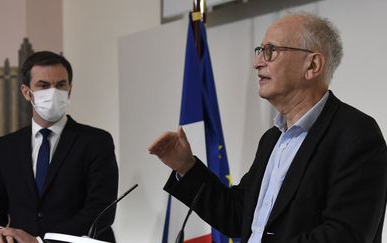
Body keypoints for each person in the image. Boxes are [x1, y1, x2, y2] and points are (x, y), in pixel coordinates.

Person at [149, 12, 387, 243]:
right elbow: (238, 216)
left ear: (312, 65)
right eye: (260, 51)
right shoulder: (272, 139)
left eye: (271, 51)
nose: (257, 63)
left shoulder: (355, 134)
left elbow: (344, 235)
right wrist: (186, 166)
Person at [0, 51, 119, 243]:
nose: (53, 92)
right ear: (26, 92)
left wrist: (41, 241)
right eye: (43, 85)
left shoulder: (96, 142)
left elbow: (101, 211)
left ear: (69, 89)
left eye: (61, 85)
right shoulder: (6, 147)